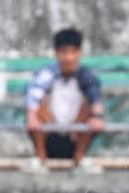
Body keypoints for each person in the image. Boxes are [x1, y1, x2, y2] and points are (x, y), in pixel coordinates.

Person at [24, 28, 105, 171]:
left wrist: (97, 117)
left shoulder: (87, 76)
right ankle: (40, 156)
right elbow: (34, 94)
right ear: (57, 53)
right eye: (64, 52)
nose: (69, 58)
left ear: (79, 53)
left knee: (90, 108)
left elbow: (95, 97)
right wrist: (32, 116)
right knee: (37, 107)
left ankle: (79, 157)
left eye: (73, 52)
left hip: (76, 134)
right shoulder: (47, 74)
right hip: (48, 133)